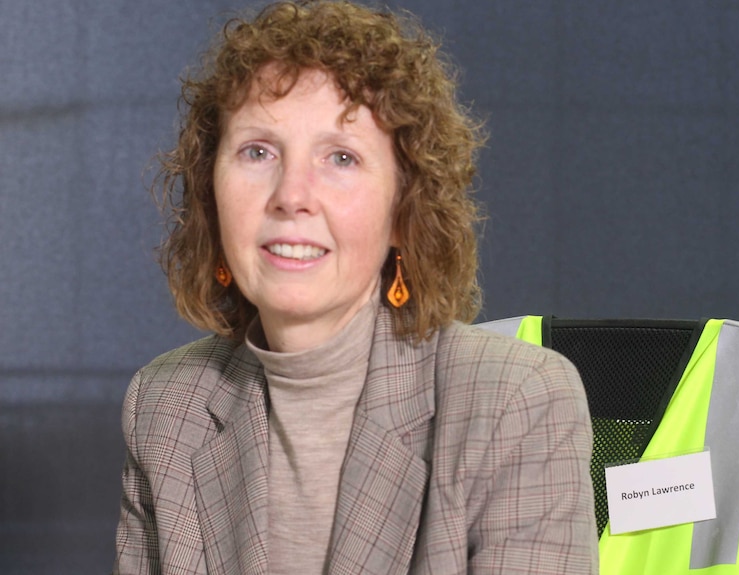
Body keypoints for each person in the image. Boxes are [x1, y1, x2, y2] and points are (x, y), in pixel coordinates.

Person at [113, 1, 597, 573]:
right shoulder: (166, 407)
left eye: (341, 157)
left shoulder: (515, 400)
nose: (291, 194)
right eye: (258, 151)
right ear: (210, 192)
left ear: (403, 211)